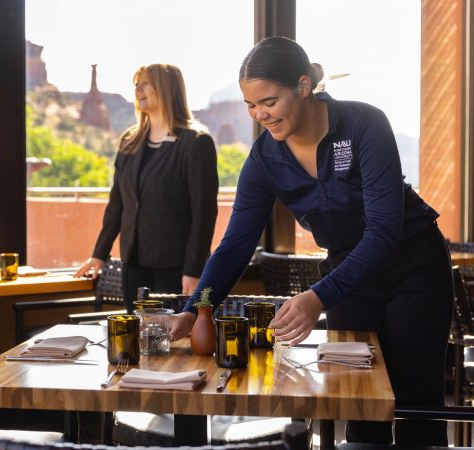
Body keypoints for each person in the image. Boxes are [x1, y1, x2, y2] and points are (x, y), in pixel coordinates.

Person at [169, 37, 452, 446]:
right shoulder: (265, 158)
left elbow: (383, 231)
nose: (260, 115)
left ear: (303, 86)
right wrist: (197, 307)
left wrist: (318, 296)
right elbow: (234, 246)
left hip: (413, 268)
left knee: (415, 403)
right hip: (350, 278)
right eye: (251, 105)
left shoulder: (364, 124)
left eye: (269, 101)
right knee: (357, 400)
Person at [75, 64, 219, 312]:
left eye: (145, 84)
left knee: (174, 335)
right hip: (134, 265)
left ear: (166, 89)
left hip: (177, 268)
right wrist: (99, 254)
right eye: (136, 84)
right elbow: (117, 204)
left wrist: (194, 270)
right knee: (137, 333)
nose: (138, 90)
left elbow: (204, 213)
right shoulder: (130, 141)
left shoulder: (196, 142)